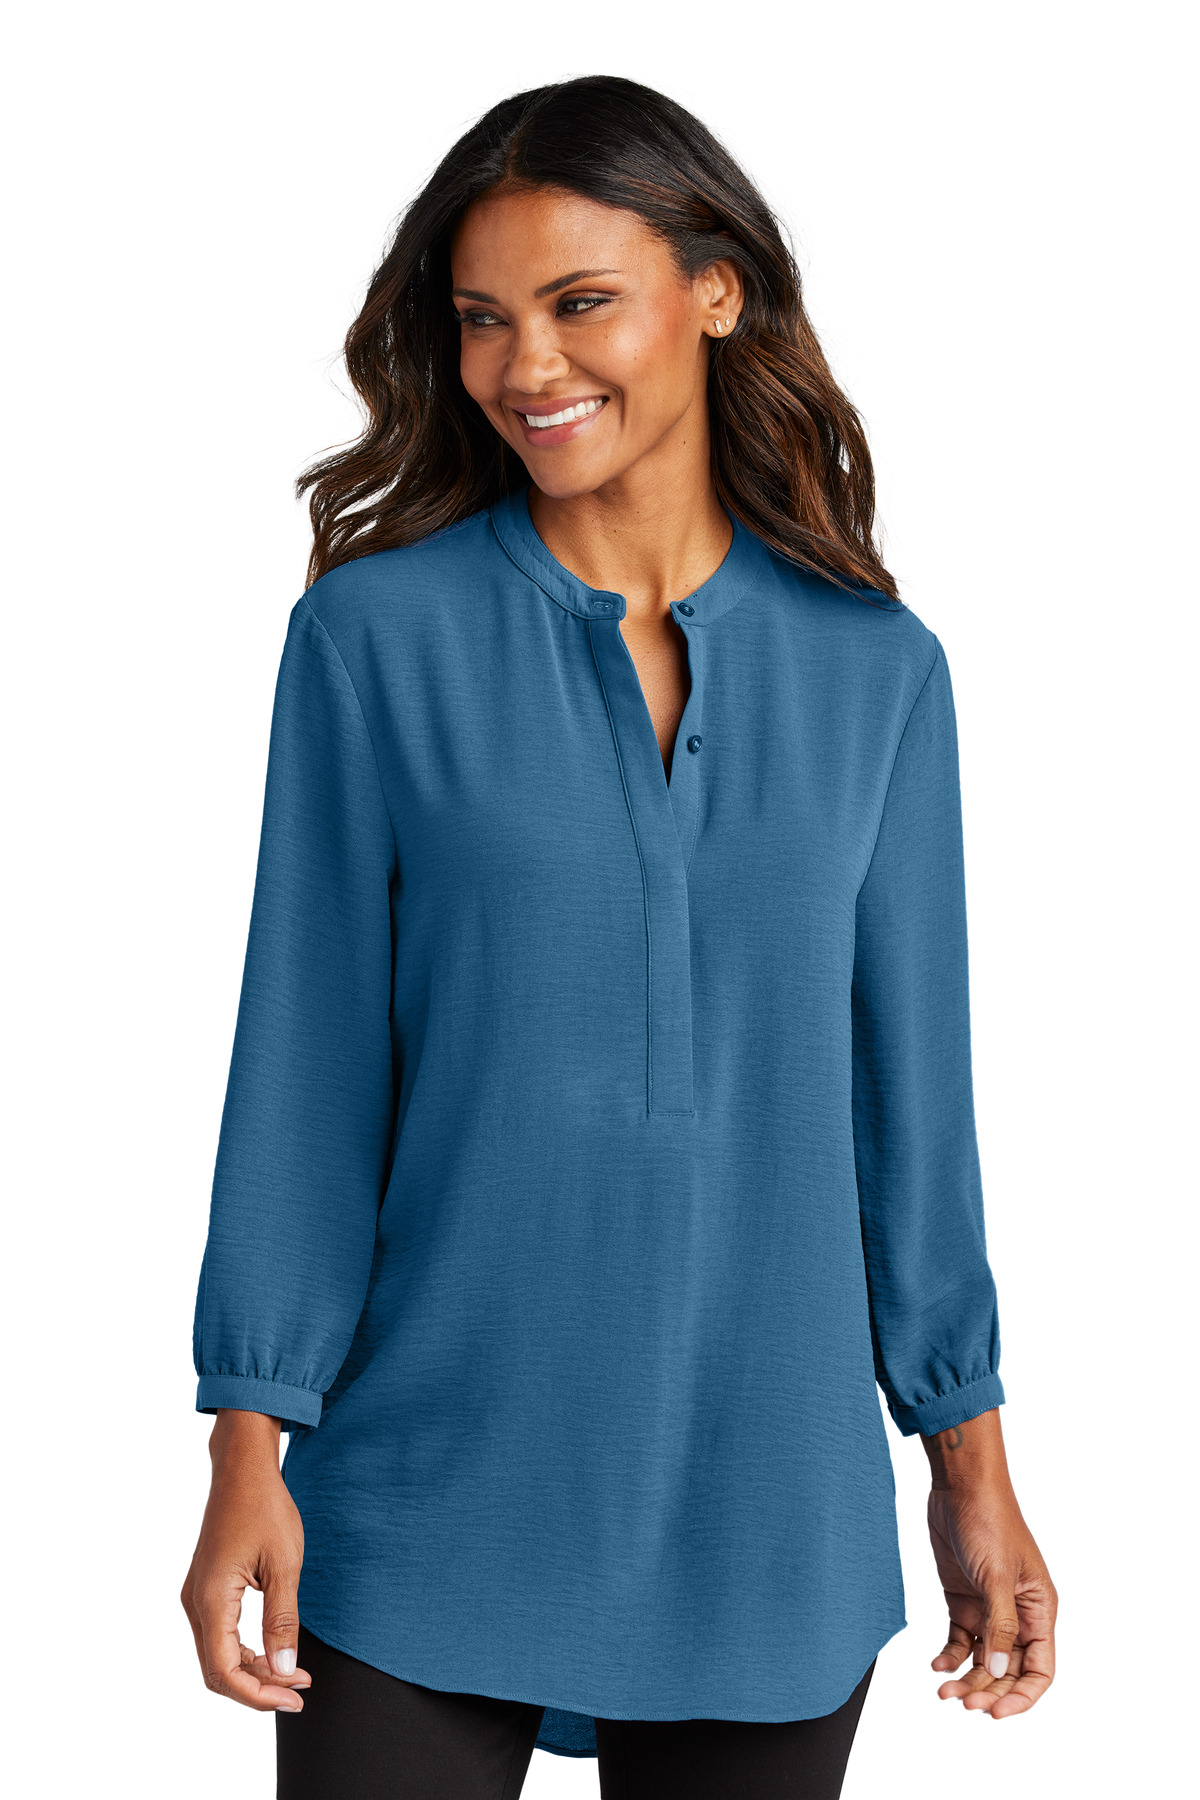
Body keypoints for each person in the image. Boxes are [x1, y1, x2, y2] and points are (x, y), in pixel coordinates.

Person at [181, 74, 1057, 1800]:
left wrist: (969, 1455)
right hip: (423, 1482)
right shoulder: (376, 641)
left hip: (767, 1502)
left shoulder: (878, 674)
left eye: (580, 303)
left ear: (715, 291)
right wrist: (244, 1437)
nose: (527, 366)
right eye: (483, 318)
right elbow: (306, 1067)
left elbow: (913, 1104)